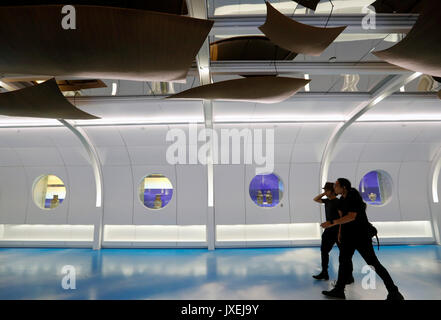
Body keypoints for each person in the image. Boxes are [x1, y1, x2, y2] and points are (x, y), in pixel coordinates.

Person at [321, 178, 404, 300]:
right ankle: (339, 289)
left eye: (336, 185)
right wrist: (340, 232)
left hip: (361, 237)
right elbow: (343, 218)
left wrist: (331, 223)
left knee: (373, 263)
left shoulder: (353, 195)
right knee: (343, 261)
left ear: (343, 187)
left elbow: (351, 216)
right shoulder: (343, 198)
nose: (334, 188)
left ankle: (394, 292)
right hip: (349, 237)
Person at [313, 182, 353, 283]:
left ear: (332, 191)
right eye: (325, 190)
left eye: (327, 190)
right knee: (324, 251)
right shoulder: (327, 201)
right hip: (329, 230)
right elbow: (315, 199)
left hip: (338, 230)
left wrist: (340, 232)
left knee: (344, 254)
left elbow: (341, 218)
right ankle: (324, 272)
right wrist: (325, 193)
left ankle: (349, 276)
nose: (325, 191)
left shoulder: (338, 202)